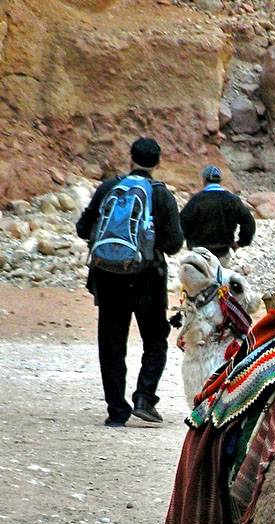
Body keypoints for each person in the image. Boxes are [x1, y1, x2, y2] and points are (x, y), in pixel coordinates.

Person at [76, 137, 183, 426]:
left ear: (130, 158)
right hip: (148, 280)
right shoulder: (161, 195)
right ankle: (144, 399)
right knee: (155, 339)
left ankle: (116, 412)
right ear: (158, 163)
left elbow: (82, 228)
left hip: (108, 279)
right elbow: (174, 244)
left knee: (111, 344)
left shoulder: (109, 188)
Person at [179, 165, 256, 267]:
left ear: (204, 180)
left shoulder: (196, 200)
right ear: (220, 180)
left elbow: (182, 225)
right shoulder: (233, 200)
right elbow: (248, 222)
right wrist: (241, 242)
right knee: (221, 280)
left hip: (199, 255)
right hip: (223, 254)